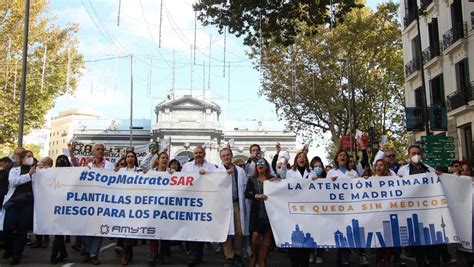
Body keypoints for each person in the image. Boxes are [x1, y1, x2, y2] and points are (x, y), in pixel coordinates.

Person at [397, 145, 442, 267]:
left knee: (434, 242)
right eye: (413, 153)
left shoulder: (430, 170)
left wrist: (440, 176)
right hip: (413, 212)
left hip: (430, 211)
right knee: (418, 244)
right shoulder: (402, 171)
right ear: (408, 155)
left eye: (417, 153)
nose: (415, 155)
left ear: (421, 154)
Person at [181, 146, 217, 266]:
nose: (198, 154)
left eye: (200, 152)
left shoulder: (211, 167)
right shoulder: (186, 167)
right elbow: (180, 181)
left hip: (205, 202)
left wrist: (207, 174)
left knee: (201, 229)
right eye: (196, 153)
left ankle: (199, 253)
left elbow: (216, 180)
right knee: (191, 229)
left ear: (204, 154)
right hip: (190, 202)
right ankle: (192, 255)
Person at [1, 150, 35, 265]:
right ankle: (9, 248)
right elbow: (14, 182)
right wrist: (28, 175)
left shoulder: (37, 172)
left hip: (27, 204)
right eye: (28, 156)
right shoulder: (14, 170)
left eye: (32, 156)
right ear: (21, 159)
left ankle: (17, 255)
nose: (30, 158)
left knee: (22, 230)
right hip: (14, 203)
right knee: (8, 229)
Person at [83, 144, 114, 265]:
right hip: (89, 201)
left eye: (102, 149)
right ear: (93, 152)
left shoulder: (109, 165)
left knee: (99, 229)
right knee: (87, 229)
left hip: (103, 202)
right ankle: (88, 251)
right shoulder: (88, 165)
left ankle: (93, 254)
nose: (100, 151)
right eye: (98, 149)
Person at [217, 147, 248, 267]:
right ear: (221, 158)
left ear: (231, 155)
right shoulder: (217, 171)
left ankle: (237, 253)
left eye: (228, 155)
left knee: (239, 231)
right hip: (223, 205)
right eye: (223, 155)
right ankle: (229, 256)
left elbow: (244, 186)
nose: (226, 157)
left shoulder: (239, 170)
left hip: (236, 203)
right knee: (225, 231)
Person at [245, 158, 273, 267]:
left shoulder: (272, 179)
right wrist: (256, 195)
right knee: (255, 237)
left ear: (266, 166)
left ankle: (262, 260)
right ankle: (255, 255)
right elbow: (246, 194)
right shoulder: (252, 179)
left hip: (269, 212)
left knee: (266, 241)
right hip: (256, 211)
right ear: (256, 167)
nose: (260, 165)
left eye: (263, 163)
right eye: (258, 164)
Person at [148, 152, 171, 266]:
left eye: (166, 158)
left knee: (165, 232)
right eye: (162, 158)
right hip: (154, 207)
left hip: (167, 208)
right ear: (158, 160)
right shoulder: (151, 173)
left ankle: (161, 254)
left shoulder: (171, 173)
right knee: (153, 232)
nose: (164, 160)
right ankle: (153, 254)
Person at [117, 151, 139, 265]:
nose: (130, 158)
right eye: (128, 157)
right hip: (123, 204)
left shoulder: (140, 171)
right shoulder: (120, 171)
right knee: (125, 230)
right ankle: (127, 253)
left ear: (135, 159)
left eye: (132, 157)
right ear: (125, 159)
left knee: (130, 229)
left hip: (135, 205)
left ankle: (126, 254)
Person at [50, 155, 71, 264]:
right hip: (56, 204)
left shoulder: (72, 174)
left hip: (67, 205)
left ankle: (54, 255)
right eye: (59, 162)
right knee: (58, 231)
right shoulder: (52, 173)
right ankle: (62, 252)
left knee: (59, 230)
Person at [31, 157, 53, 249]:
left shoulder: (52, 172)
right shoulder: (37, 172)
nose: (43, 164)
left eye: (46, 163)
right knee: (37, 219)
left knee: (45, 220)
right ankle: (38, 240)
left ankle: (46, 239)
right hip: (37, 198)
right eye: (43, 162)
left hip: (47, 199)